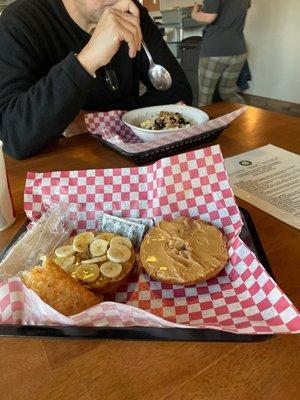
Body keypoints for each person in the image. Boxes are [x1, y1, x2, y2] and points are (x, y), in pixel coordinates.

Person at [0, 0, 192, 159]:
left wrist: (92, 121)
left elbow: (178, 93)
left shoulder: (131, 13)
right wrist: (87, 61)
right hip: (57, 177)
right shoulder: (21, 21)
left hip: (131, 163)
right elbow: (14, 136)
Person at [192, 0, 251, 106]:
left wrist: (194, 13)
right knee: (228, 92)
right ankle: (244, 115)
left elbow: (209, 17)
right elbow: (231, 12)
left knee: (205, 97)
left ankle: (206, 123)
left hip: (215, 52)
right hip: (238, 51)